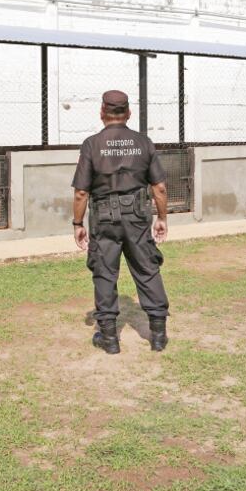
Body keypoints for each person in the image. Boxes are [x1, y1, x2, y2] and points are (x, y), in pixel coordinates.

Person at [71, 90, 170, 354]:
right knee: (147, 269)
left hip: (104, 219)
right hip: (137, 218)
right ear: (128, 113)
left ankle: (109, 338)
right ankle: (158, 335)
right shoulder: (143, 142)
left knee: (104, 271)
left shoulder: (92, 144)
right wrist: (161, 218)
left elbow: (81, 192)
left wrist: (77, 224)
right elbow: (159, 187)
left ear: (102, 112)